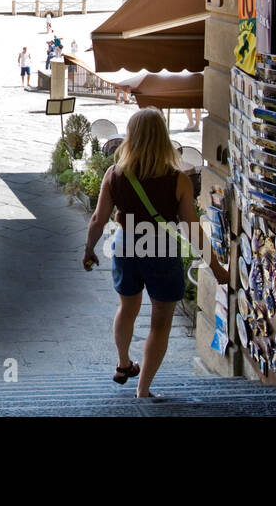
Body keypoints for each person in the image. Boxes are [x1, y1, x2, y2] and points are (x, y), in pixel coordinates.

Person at [83, 108, 228, 399]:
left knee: (127, 309)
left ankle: (124, 363)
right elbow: (192, 228)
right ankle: (144, 388)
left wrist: (89, 250)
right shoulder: (178, 179)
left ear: (131, 137)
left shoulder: (114, 174)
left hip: (126, 246)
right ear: (163, 137)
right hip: (161, 250)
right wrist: (216, 266)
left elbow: (98, 219)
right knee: (161, 321)